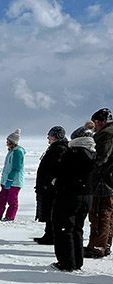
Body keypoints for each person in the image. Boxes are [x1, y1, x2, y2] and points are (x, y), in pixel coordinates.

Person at [50, 127, 96, 270]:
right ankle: (77, 261)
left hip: (69, 195)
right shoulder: (93, 153)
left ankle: (66, 262)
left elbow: (62, 173)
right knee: (77, 228)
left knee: (64, 229)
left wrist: (56, 182)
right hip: (87, 196)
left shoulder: (72, 153)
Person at [84, 108, 113, 258]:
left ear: (101, 122)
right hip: (107, 180)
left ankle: (98, 246)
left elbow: (102, 158)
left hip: (103, 180)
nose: (94, 125)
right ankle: (104, 244)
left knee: (100, 213)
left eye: (95, 122)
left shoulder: (106, 135)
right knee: (106, 213)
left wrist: (89, 163)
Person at [33, 126, 69, 244]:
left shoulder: (59, 149)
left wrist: (49, 182)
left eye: (51, 135)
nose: (48, 137)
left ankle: (51, 236)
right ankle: (48, 234)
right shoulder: (55, 148)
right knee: (48, 211)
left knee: (51, 212)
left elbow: (55, 168)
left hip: (51, 188)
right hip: (47, 186)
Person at [0, 129, 26, 221]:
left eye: (8, 141)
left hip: (14, 181)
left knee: (12, 200)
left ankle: (10, 216)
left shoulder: (18, 152)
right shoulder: (11, 151)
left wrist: (10, 179)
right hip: (6, 181)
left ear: (13, 142)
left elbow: (16, 167)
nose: (6, 143)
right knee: (1, 198)